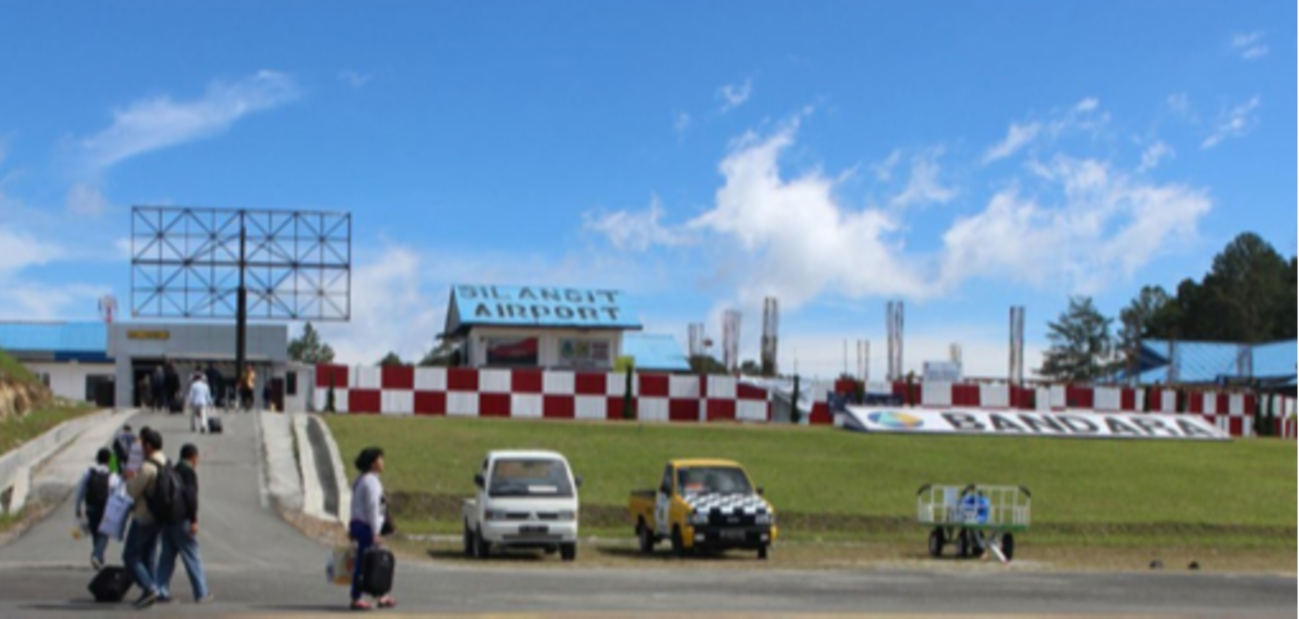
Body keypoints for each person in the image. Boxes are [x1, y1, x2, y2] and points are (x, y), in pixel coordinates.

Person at [156, 444, 211, 605]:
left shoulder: (171, 470)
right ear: (193, 457)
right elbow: (191, 497)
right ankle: (201, 592)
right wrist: (194, 519)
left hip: (167, 520)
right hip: (182, 520)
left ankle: (160, 590)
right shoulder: (188, 473)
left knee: (166, 558)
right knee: (192, 556)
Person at [123, 428, 169, 609]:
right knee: (150, 554)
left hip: (144, 516)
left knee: (130, 556)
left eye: (143, 445)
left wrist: (131, 478)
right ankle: (152, 589)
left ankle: (148, 587)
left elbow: (132, 491)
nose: (141, 448)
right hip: (160, 516)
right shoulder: (166, 462)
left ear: (148, 446)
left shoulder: (148, 467)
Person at [348, 447, 395, 611]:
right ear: (373, 463)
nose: (383, 462)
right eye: (380, 459)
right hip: (366, 526)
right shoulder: (371, 482)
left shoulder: (363, 479)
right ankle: (357, 598)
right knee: (364, 562)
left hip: (358, 523)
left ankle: (381, 594)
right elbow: (373, 508)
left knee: (374, 561)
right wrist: (375, 532)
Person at [74, 448, 122, 570]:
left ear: (97, 459)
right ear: (109, 460)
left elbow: (81, 491)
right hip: (106, 508)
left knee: (96, 532)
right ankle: (97, 555)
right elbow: (118, 494)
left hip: (91, 507)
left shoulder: (89, 473)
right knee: (104, 533)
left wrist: (78, 506)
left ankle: (99, 557)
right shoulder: (113, 476)